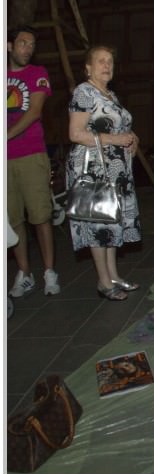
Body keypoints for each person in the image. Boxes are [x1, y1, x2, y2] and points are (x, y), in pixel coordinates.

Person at [66, 45, 141, 301]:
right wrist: (116, 139)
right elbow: (75, 133)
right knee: (99, 223)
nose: (106, 65)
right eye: (100, 61)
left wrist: (132, 140)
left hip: (115, 170)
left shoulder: (110, 95)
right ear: (88, 67)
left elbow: (121, 129)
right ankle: (103, 281)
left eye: (109, 61)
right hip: (94, 168)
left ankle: (114, 276)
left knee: (111, 222)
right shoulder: (84, 92)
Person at [7, 25, 61, 298]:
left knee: (40, 216)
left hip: (31, 154)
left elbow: (35, 111)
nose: (27, 49)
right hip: (5, 162)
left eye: (31, 44)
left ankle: (49, 271)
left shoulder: (37, 75)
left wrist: (6, 135)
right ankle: (24, 272)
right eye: (22, 43)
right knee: (13, 218)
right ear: (8, 46)